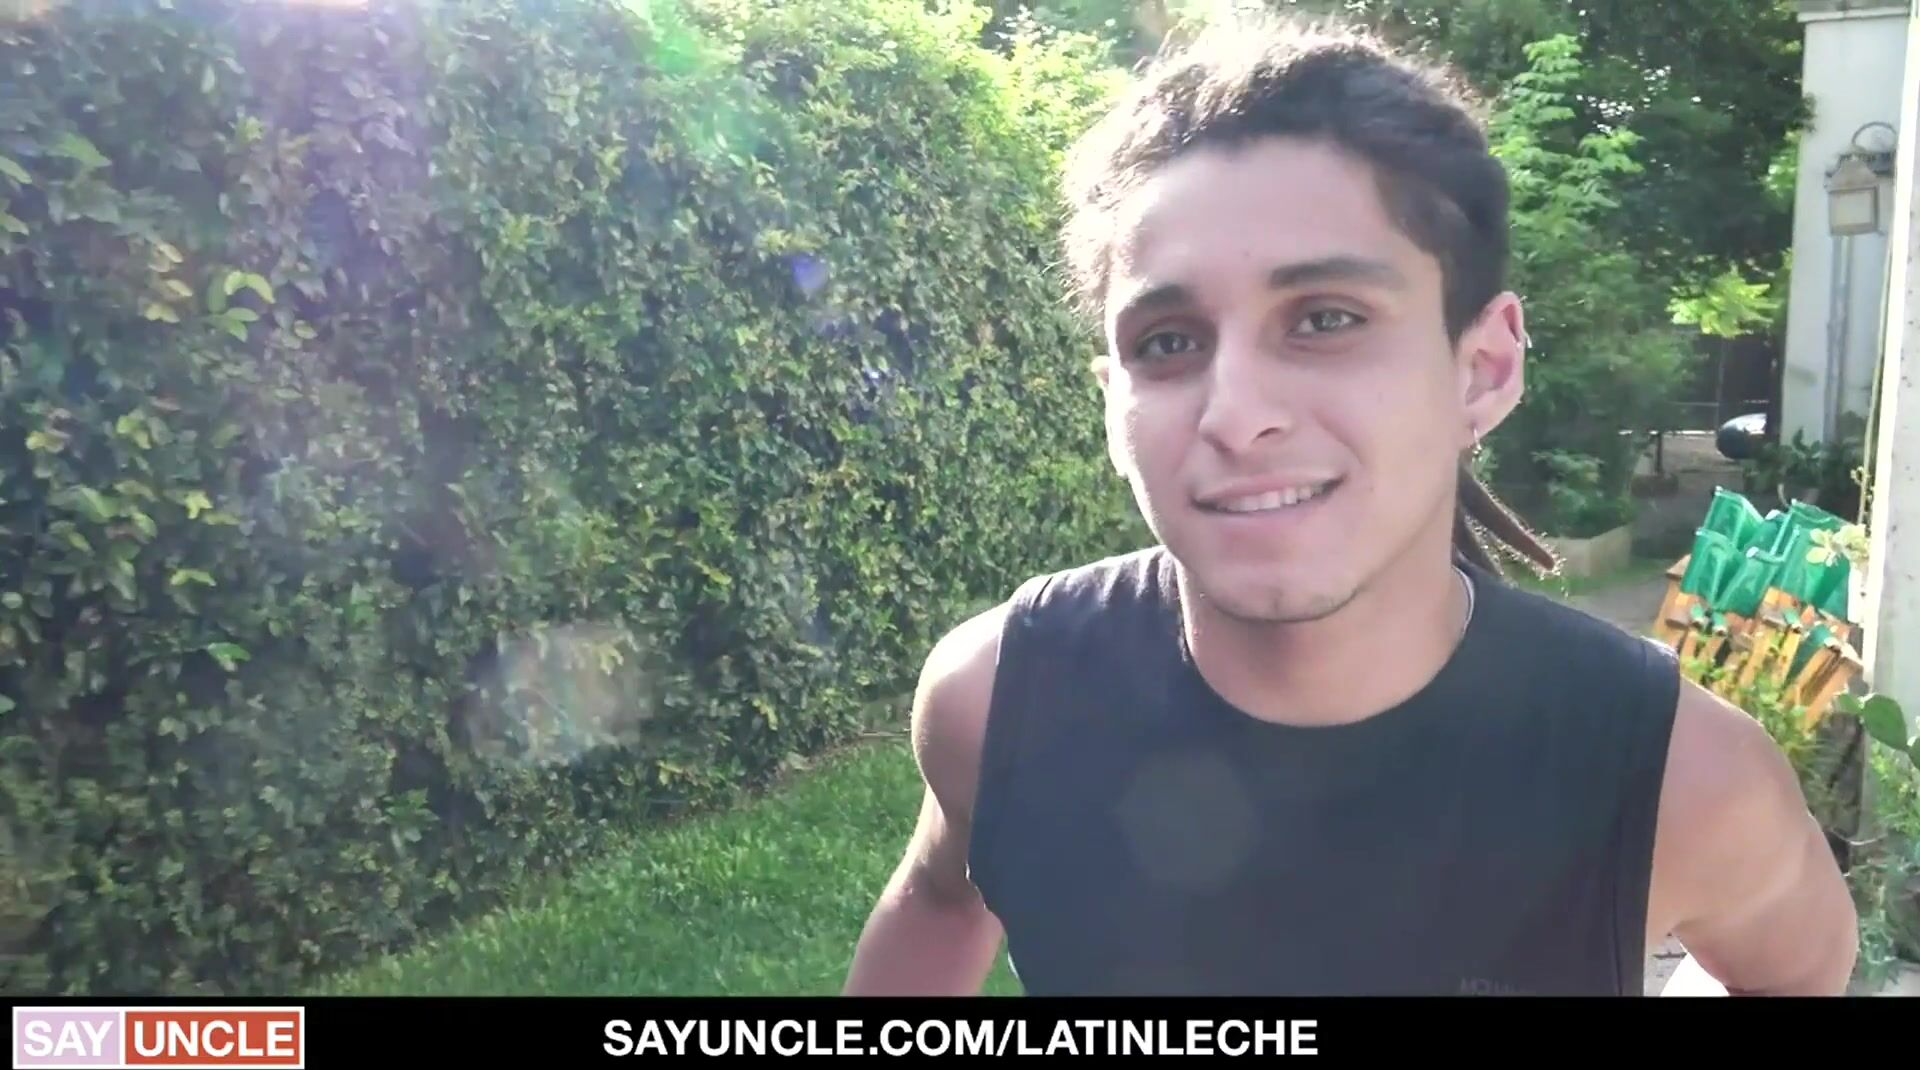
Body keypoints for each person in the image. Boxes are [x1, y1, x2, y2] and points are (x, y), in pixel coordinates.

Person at [840, 13, 1858, 997]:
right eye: (1168, 342)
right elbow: (939, 901)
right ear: (1114, 404)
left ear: (1482, 368)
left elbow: (1797, 971)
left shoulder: (1678, 778)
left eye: (1325, 319)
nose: (1237, 415)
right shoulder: (999, 699)